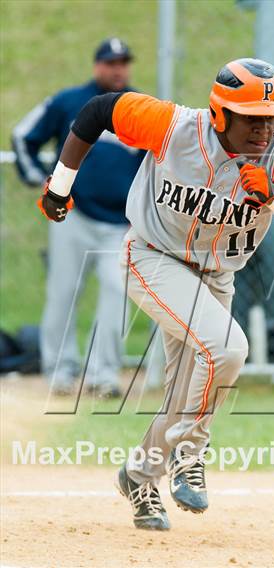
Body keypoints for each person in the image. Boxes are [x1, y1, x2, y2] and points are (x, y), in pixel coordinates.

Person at [36, 58, 274, 529]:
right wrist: (60, 185)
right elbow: (96, 112)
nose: (264, 128)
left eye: (272, 117)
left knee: (183, 398)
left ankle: (138, 475)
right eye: (252, 116)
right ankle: (191, 452)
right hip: (154, 257)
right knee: (229, 349)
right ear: (220, 113)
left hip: (216, 278)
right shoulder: (175, 127)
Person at [13, 38, 146, 397]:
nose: (117, 69)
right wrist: (37, 176)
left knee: (117, 294)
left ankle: (104, 375)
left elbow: (158, 164)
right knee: (63, 294)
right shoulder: (70, 102)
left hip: (120, 224)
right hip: (72, 217)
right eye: (110, 62)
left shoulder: (138, 109)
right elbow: (23, 136)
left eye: (123, 62)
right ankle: (61, 371)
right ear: (96, 65)